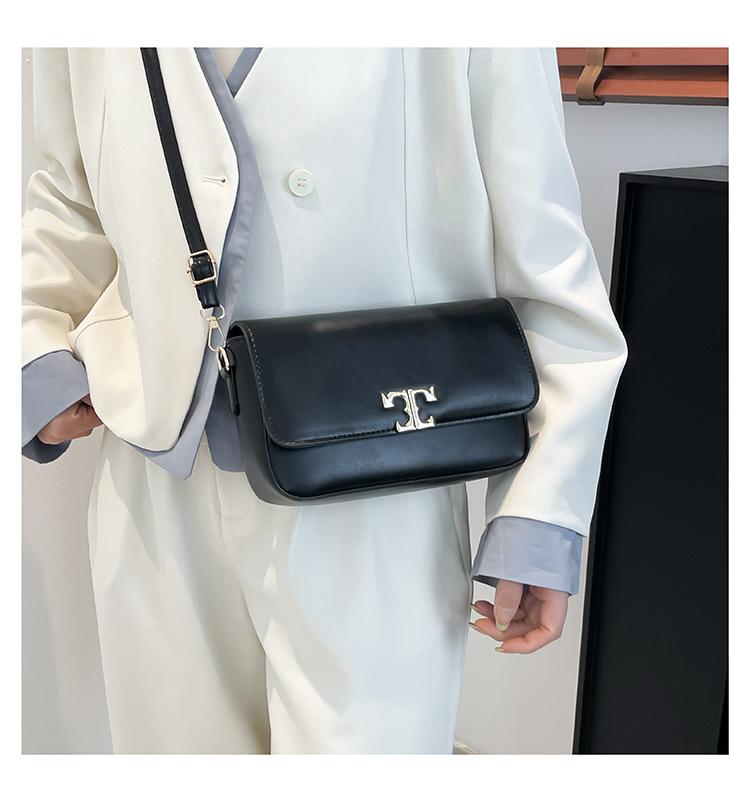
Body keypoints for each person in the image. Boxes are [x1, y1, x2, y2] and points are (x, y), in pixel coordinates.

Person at [21, 47, 627, 754]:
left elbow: (545, 254)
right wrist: (38, 355)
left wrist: (540, 509)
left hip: (376, 475)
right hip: (154, 471)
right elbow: (66, 193)